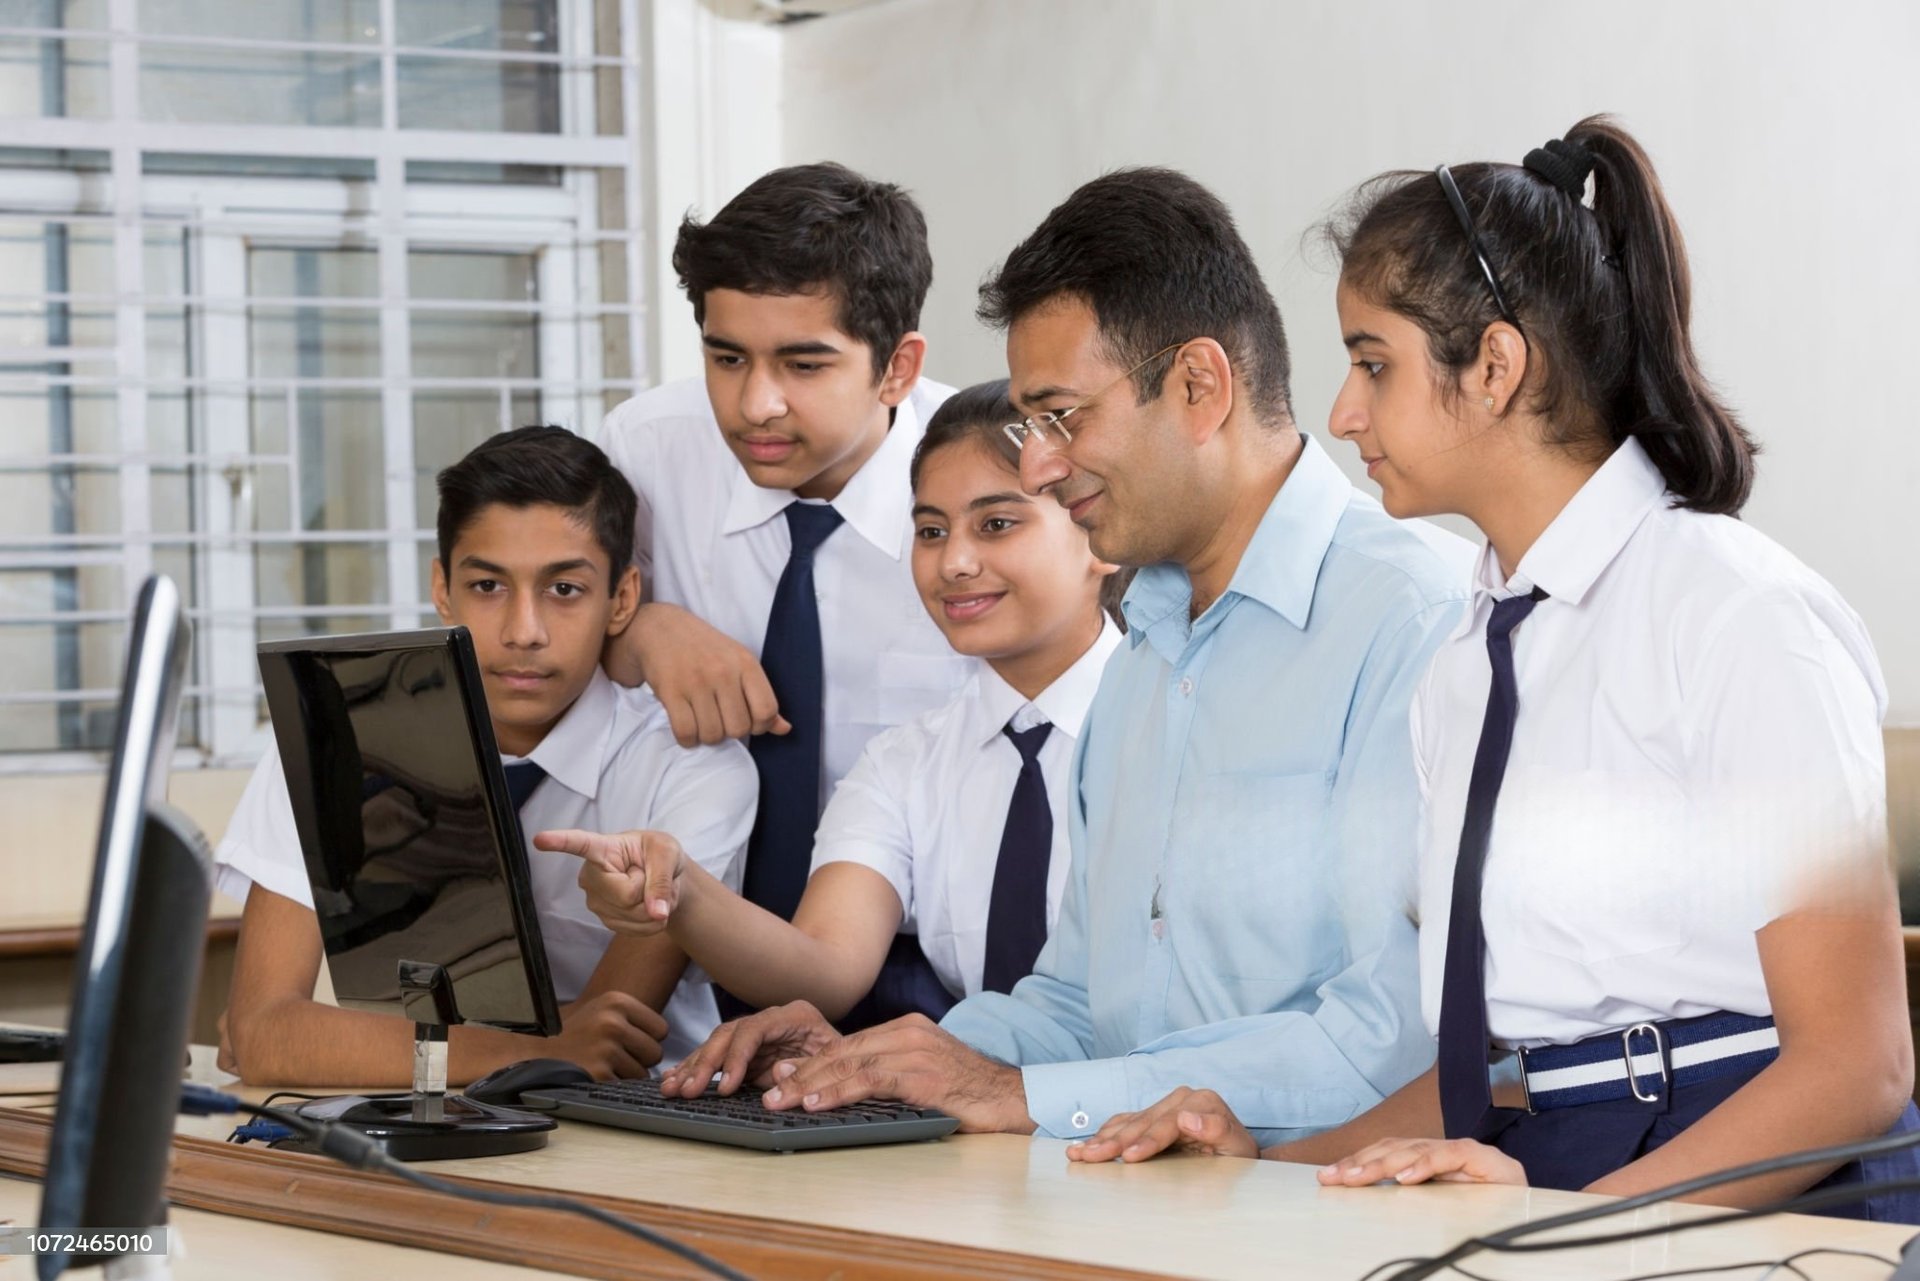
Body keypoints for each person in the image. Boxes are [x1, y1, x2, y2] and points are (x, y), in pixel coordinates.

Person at [1064, 118, 1920, 1222]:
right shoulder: (1468, 655)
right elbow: (1510, 1078)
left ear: (1497, 366)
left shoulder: (1739, 619)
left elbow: (1857, 1070)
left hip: (1751, 1197)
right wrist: (1266, 1170)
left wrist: (1568, 1231)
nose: (1342, 413)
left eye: (1374, 363)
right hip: (1546, 1165)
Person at [568, 169, 1472, 1140]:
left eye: (1061, 418)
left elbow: (1399, 1039)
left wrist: (1017, 1096)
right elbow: (1081, 1004)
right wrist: (886, 1061)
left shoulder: (1421, 621)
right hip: (1134, 1197)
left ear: (1200, 387)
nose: (1040, 463)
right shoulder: (1147, 662)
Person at [539, 383, 1122, 1088]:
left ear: (1101, 534)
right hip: (981, 1136)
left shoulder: (1178, 732)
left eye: (996, 524)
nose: (954, 562)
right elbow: (825, 965)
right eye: (931, 531)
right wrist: (682, 886)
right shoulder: (906, 764)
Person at [215, 427, 757, 1087]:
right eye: (489, 585)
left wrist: (354, 1043)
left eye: (564, 590)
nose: (523, 631)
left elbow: (608, 1039)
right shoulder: (334, 736)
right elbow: (265, 1034)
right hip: (420, 1114)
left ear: (621, 599)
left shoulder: (693, 767)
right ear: (443, 588)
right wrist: (528, 1050)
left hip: (645, 1123)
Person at [599, 163, 967, 1020]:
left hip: (934, 978)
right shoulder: (648, 450)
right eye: (726, 358)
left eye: (803, 364)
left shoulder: (994, 486)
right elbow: (563, 633)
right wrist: (644, 628)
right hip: (685, 965)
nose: (755, 402)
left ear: (898, 368)